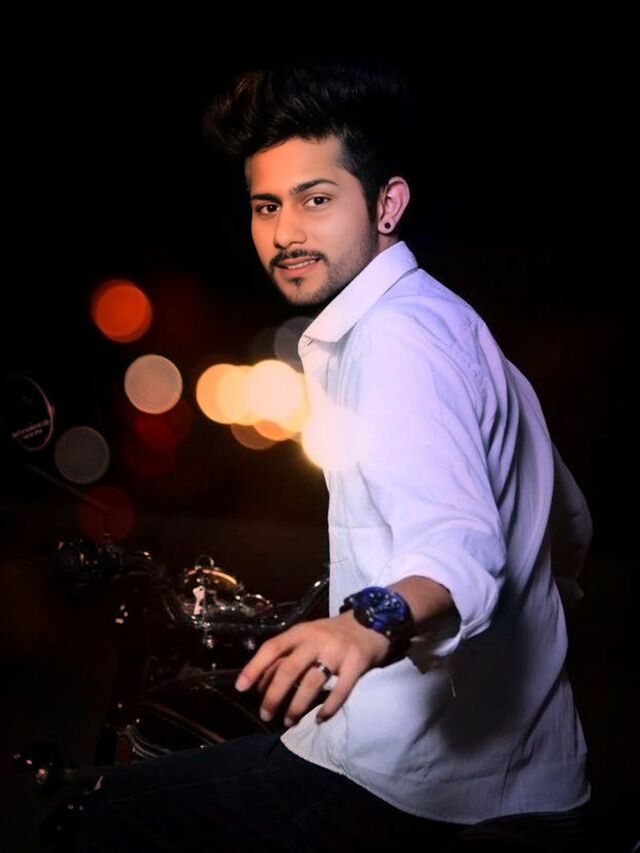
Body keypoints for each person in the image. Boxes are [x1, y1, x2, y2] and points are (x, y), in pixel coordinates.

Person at [76, 60, 593, 851]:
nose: (285, 233)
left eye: (316, 200)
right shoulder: (445, 319)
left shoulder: (393, 340)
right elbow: (570, 517)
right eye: (266, 206)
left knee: (111, 812)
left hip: (410, 781)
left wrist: (364, 624)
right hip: (535, 771)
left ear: (387, 204)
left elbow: (458, 544)